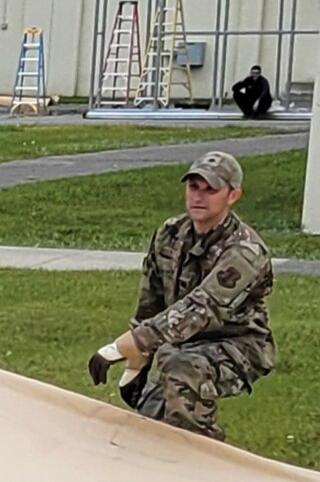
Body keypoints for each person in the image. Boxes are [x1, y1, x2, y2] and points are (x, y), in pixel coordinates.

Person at [88, 151, 273, 441]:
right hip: (180, 343)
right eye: (193, 187)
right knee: (150, 421)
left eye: (211, 190)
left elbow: (203, 307)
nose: (199, 197)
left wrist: (132, 343)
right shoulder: (170, 234)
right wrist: (139, 361)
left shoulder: (245, 252)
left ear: (233, 195)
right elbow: (152, 301)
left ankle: (203, 466)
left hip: (238, 345)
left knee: (183, 374)